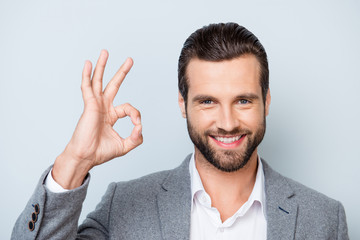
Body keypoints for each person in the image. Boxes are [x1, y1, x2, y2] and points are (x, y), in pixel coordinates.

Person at [12, 22, 348, 239]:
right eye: (207, 102)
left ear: (267, 101)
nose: (227, 122)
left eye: (243, 101)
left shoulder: (323, 218)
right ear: (182, 104)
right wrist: (75, 159)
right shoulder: (124, 205)